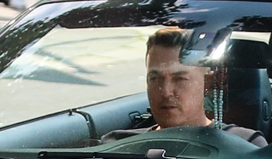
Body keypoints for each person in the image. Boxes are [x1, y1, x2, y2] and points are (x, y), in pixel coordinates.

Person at [102, 28, 263, 145]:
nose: (165, 91)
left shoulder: (245, 145)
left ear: (207, 83)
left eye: (180, 79)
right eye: (155, 78)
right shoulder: (117, 145)